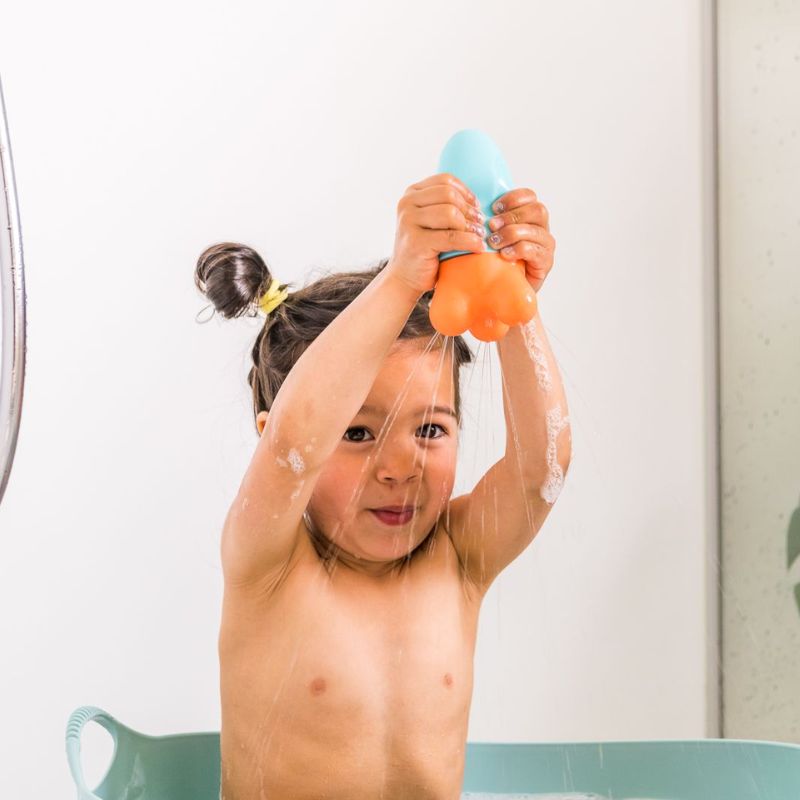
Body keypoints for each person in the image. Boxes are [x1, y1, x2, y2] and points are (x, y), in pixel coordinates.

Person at [194, 172, 570, 799]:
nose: (400, 468)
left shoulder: (459, 559)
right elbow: (293, 444)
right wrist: (400, 281)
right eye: (357, 433)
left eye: (430, 428)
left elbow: (542, 470)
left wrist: (511, 295)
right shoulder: (270, 566)